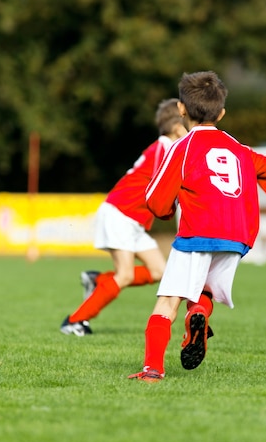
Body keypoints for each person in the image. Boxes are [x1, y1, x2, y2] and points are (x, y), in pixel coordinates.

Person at [128, 70, 266, 382]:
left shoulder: (181, 148)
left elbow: (155, 198)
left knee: (167, 302)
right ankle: (198, 314)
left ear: (181, 109)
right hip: (236, 236)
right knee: (205, 289)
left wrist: (167, 210)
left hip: (199, 232)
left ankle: (152, 369)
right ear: (222, 113)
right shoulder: (239, 148)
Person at [60, 98, 187, 336]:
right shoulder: (165, 148)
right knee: (126, 274)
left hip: (132, 220)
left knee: (160, 271)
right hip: (121, 213)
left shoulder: (164, 148)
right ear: (178, 127)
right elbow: (166, 187)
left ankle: (98, 281)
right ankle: (73, 321)